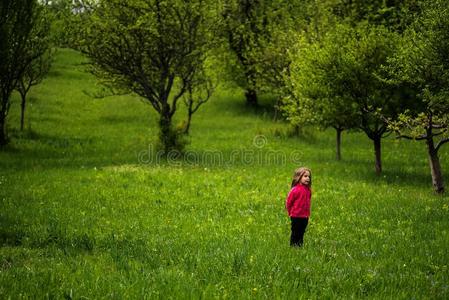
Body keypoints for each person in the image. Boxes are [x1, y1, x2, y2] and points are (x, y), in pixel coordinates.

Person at [286, 167, 312, 247]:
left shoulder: (308, 190)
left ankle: (300, 245)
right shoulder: (295, 190)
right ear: (298, 177)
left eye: (309, 176)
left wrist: (307, 214)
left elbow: (308, 202)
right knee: (295, 232)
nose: (308, 178)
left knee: (302, 231)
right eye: (305, 176)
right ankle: (293, 246)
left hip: (305, 216)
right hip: (296, 216)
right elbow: (289, 202)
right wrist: (290, 212)